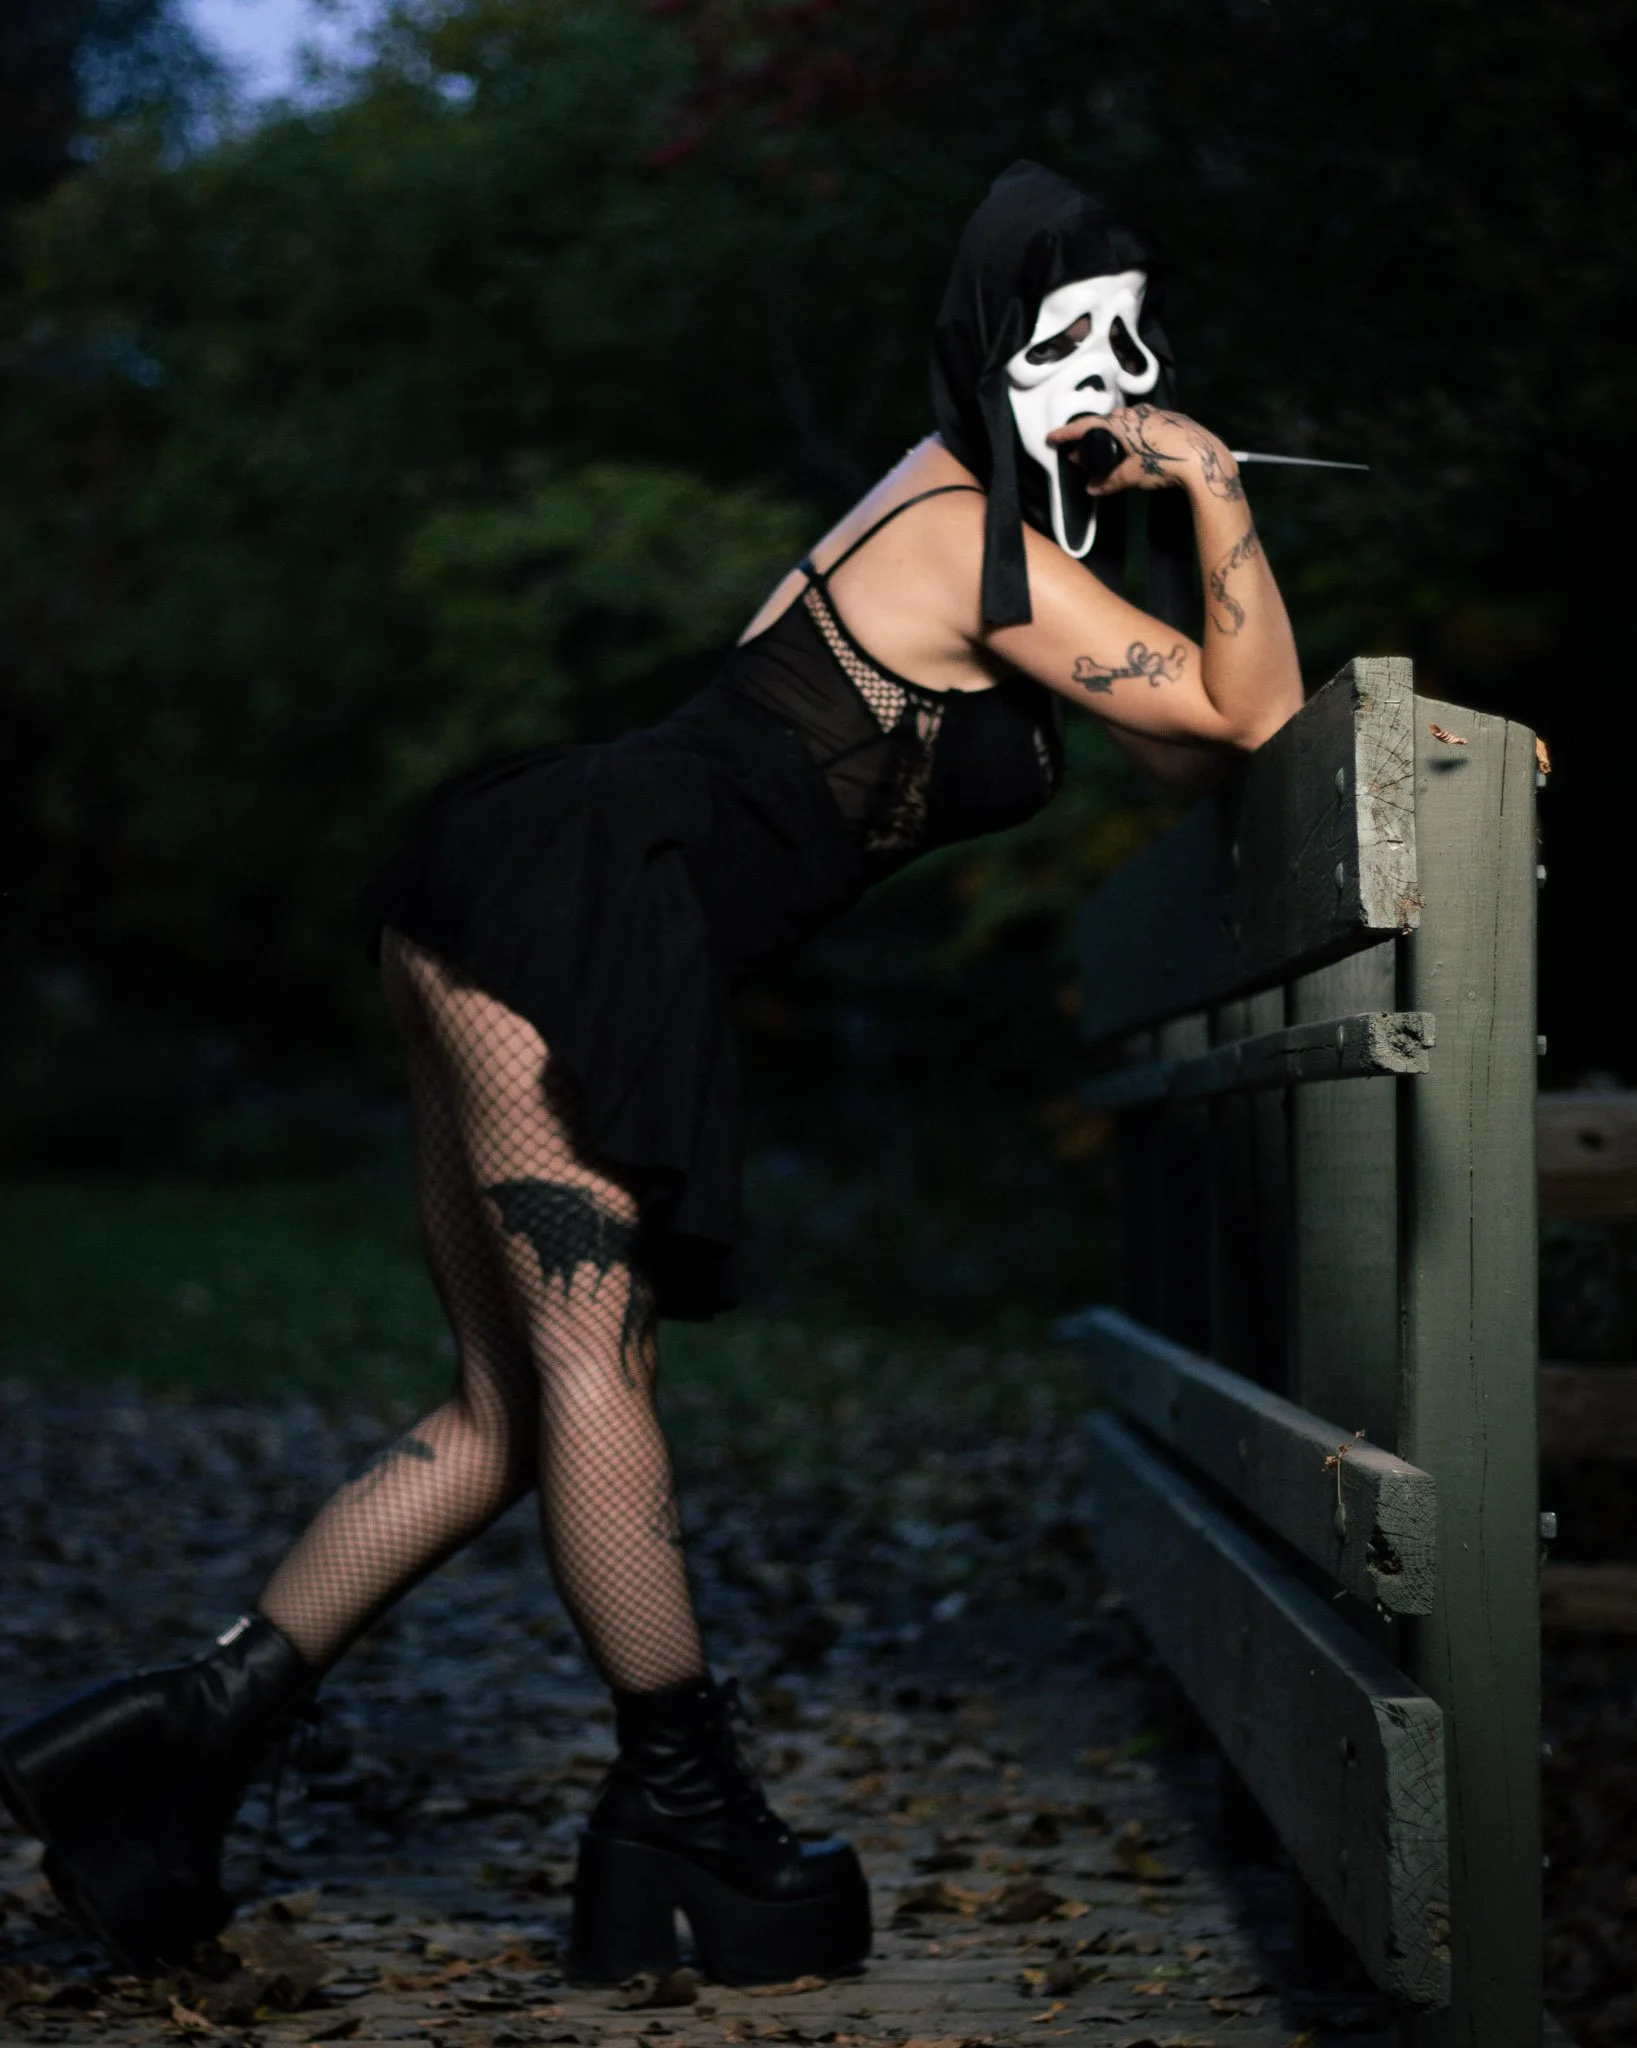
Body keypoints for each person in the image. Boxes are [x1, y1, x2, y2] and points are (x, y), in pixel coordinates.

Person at [0, 162, 1302, 1986]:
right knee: (592, 1364)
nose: (1116, 377)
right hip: (583, 906)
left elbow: (1196, 747)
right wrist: (1225, 480)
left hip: (539, 892)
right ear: (988, 345)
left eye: (1137, 347)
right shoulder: (963, 539)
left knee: (499, 1417)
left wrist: (1169, 515)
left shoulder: (997, 534)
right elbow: (1252, 717)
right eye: (1074, 344)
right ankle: (683, 1816)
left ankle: (167, 1756)